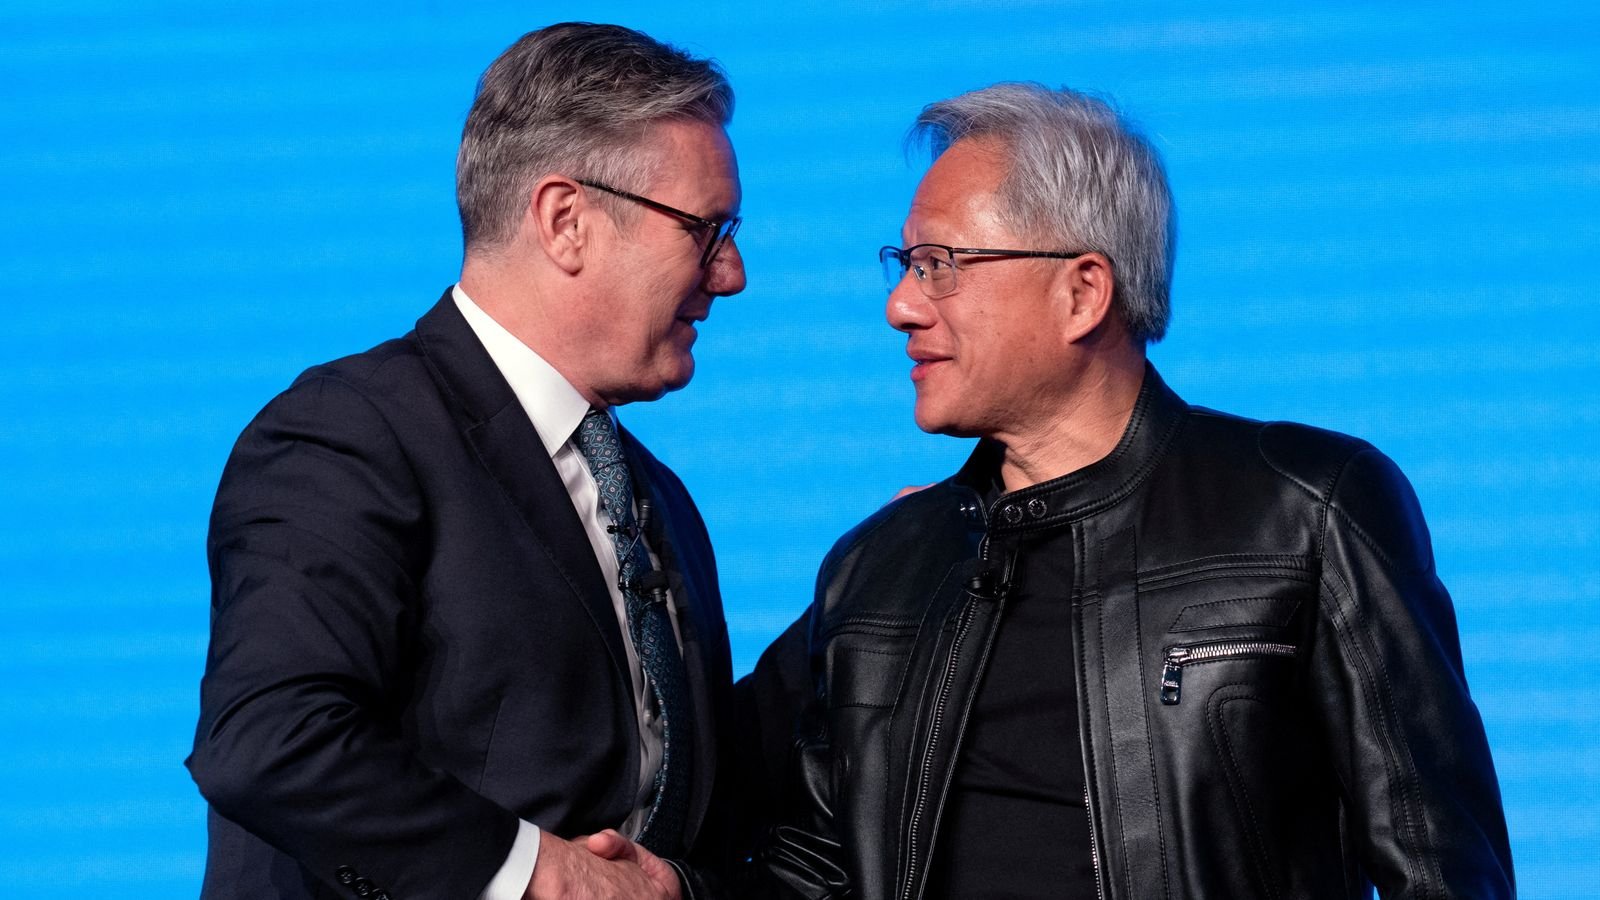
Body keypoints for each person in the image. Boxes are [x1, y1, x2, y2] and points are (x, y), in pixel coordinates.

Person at [746, 82, 1514, 899]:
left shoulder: (1307, 509)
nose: (901, 306)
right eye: (905, 267)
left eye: (941, 266)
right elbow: (810, 866)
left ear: (1083, 290)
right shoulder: (877, 565)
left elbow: (1439, 868)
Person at [187, 23, 747, 900]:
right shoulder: (352, 433)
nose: (732, 274)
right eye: (706, 231)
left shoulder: (658, 498)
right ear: (567, 221)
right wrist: (538, 874)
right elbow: (272, 737)